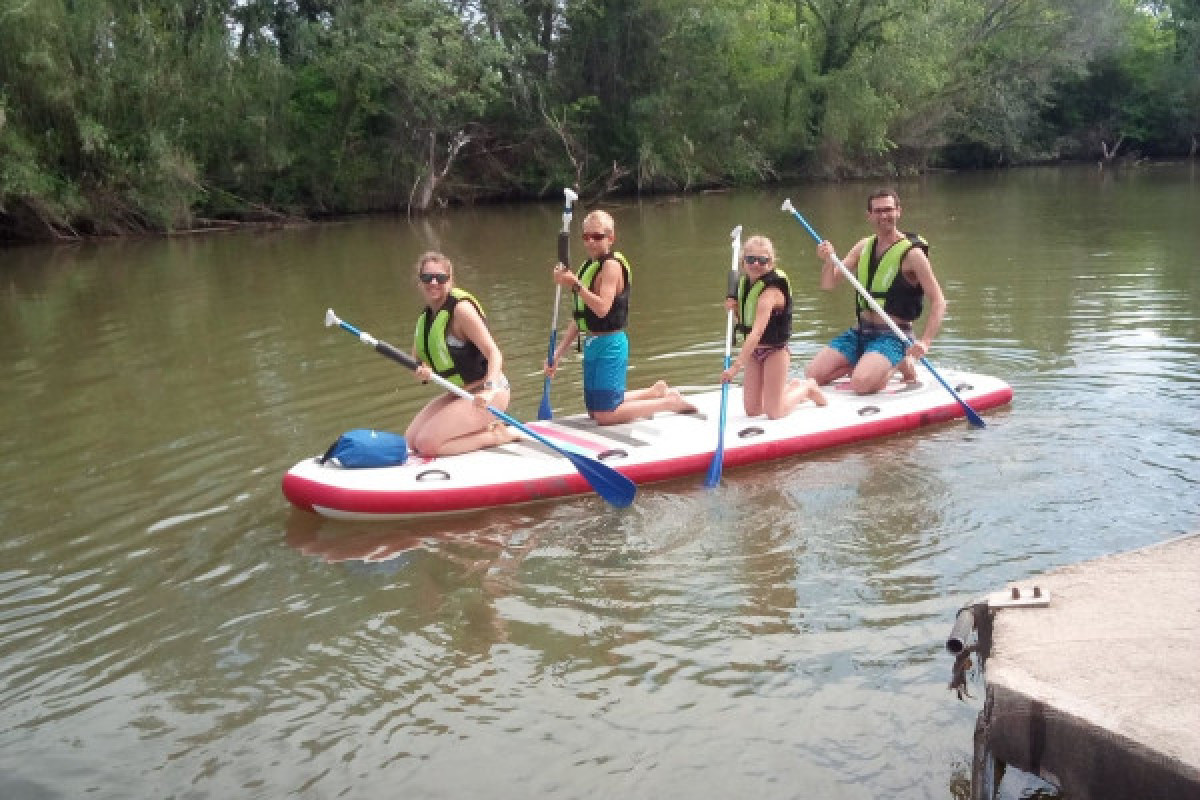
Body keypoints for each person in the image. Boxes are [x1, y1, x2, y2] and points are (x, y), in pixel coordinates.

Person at [544, 210, 695, 425]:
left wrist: (575, 284)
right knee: (595, 411)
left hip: (611, 343)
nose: (590, 242)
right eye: (586, 237)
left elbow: (603, 309)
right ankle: (654, 392)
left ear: (610, 238)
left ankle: (670, 402)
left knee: (606, 416)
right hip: (592, 343)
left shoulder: (611, 266)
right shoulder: (589, 266)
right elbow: (580, 318)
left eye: (597, 237)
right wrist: (558, 354)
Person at [805, 188, 947, 395]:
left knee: (861, 385)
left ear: (899, 211)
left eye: (888, 210)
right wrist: (828, 261)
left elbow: (939, 301)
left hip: (893, 335)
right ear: (869, 215)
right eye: (878, 211)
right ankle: (868, 363)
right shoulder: (863, 246)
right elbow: (828, 284)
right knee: (813, 374)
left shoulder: (913, 255)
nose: (883, 216)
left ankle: (899, 361)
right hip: (860, 331)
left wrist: (925, 342)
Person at [405, 251, 518, 456]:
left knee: (426, 444)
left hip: (489, 393)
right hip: (459, 394)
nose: (433, 282)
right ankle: (479, 428)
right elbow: (418, 362)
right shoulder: (426, 318)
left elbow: (494, 353)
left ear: (450, 280)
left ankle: (496, 435)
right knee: (411, 440)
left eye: (440, 277)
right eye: (426, 277)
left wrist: (490, 389)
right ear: (419, 281)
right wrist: (422, 371)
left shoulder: (461, 311)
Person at [720, 235, 826, 418]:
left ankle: (807, 388)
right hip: (755, 353)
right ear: (743, 261)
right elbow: (745, 323)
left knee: (774, 413)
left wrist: (735, 368)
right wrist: (735, 310)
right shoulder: (744, 284)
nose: (756, 264)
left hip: (775, 352)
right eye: (751, 259)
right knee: (752, 411)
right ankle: (789, 389)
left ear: (771, 263)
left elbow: (758, 331)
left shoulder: (771, 291)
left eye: (762, 260)